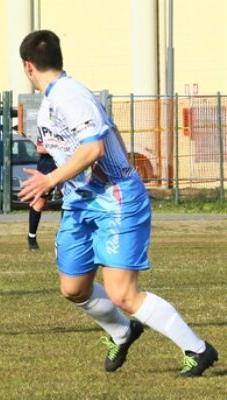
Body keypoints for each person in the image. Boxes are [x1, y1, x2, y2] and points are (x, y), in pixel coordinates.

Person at [18, 30, 218, 377]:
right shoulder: (52, 101)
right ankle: (123, 332)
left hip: (115, 200)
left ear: (28, 66)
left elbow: (94, 149)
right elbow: (94, 144)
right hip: (80, 203)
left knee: (123, 293)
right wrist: (53, 185)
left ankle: (197, 349)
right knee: (73, 288)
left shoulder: (70, 95)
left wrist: (50, 179)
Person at [27, 137, 57, 251]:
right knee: (40, 201)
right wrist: (59, 148)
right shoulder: (47, 126)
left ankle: (63, 237)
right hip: (48, 165)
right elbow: (40, 149)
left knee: (69, 199)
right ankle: (31, 237)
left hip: (66, 164)